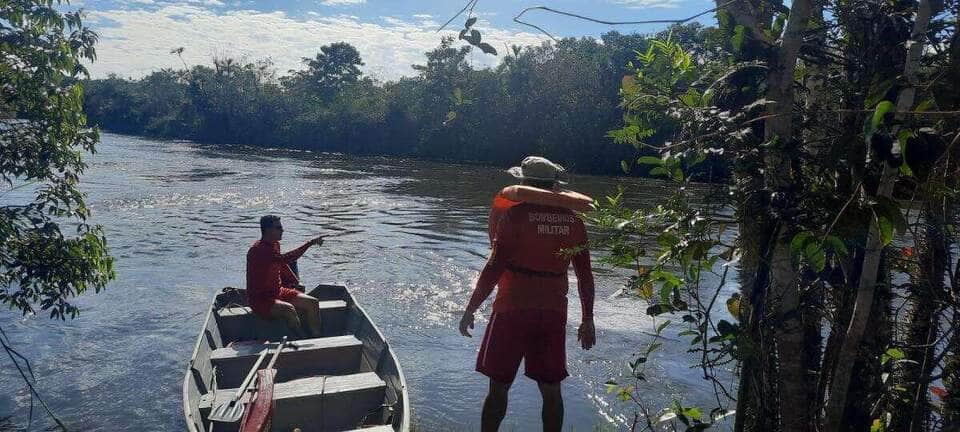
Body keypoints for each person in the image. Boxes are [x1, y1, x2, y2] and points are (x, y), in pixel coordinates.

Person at [459, 156, 596, 432]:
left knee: (498, 387)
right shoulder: (574, 223)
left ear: (524, 182)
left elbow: (495, 266)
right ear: (554, 187)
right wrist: (588, 318)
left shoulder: (515, 216)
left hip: (512, 308)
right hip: (553, 311)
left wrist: (472, 307)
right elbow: (585, 275)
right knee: (552, 390)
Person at [246, 215, 324, 337]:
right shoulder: (258, 250)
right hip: (260, 300)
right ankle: (301, 340)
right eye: (278, 228)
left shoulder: (275, 244)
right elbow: (287, 259)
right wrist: (310, 243)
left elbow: (280, 265)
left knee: (313, 303)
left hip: (278, 291)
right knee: (289, 310)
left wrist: (295, 281)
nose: (282, 230)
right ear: (268, 230)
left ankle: (317, 337)